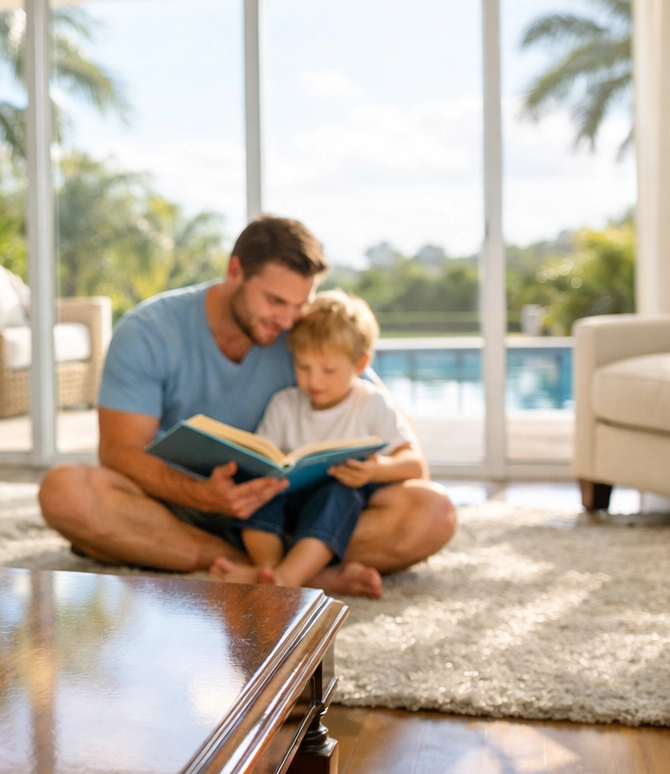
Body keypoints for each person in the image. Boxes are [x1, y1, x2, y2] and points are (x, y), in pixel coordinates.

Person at [38, 215, 456, 597]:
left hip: (287, 513)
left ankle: (264, 570)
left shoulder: (304, 335)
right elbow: (119, 452)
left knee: (433, 513)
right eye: (276, 302)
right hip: (176, 507)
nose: (289, 321)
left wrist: (374, 469)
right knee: (65, 493)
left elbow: (400, 439)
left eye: (299, 305)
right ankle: (288, 571)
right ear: (235, 271)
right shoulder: (148, 332)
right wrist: (204, 496)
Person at [207, 291, 427, 597]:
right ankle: (269, 571)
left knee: (339, 493)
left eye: (328, 370)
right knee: (260, 487)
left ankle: (285, 579)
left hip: (335, 506)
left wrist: (375, 470)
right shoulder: (285, 403)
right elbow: (262, 456)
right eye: (304, 367)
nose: (314, 381)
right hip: (286, 500)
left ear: (359, 363)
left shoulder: (372, 403)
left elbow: (415, 464)